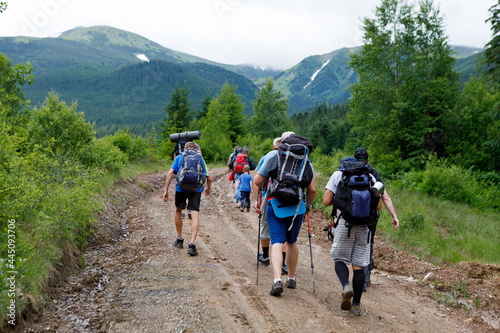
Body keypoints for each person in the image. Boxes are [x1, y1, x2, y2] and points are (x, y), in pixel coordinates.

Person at [323, 156, 396, 316]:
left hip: (344, 223)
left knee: (339, 259)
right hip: (364, 226)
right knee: (359, 266)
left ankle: (345, 286)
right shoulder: (369, 177)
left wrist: (343, 202)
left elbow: (326, 201)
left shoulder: (338, 175)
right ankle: (356, 304)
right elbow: (378, 206)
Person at [254, 131, 317, 296]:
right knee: (291, 242)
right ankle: (291, 277)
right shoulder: (305, 160)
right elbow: (312, 189)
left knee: (276, 242)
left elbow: (258, 181)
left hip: (275, 204)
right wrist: (308, 205)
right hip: (297, 206)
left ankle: (276, 280)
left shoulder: (273, 156)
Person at [353, 148, 399, 291]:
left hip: (352, 214)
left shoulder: (348, 171)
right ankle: (364, 278)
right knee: (367, 244)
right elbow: (385, 197)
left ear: (354, 159)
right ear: (367, 160)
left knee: (353, 242)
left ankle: (355, 276)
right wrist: (394, 216)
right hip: (370, 216)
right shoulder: (372, 173)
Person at [163, 141, 212, 256]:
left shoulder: (180, 157)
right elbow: (209, 178)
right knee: (195, 214)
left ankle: (180, 239)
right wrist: (208, 189)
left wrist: (166, 190)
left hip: (181, 188)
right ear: (195, 149)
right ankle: (192, 244)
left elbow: (170, 173)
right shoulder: (200, 159)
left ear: (184, 149)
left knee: (178, 211)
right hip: (196, 189)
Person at [254, 137, 289, 274]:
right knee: (285, 231)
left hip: (270, 197)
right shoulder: (299, 157)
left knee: (265, 225)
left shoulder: (269, 156)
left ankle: (266, 256)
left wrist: (256, 199)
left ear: (274, 146)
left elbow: (258, 181)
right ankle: (284, 264)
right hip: (291, 199)